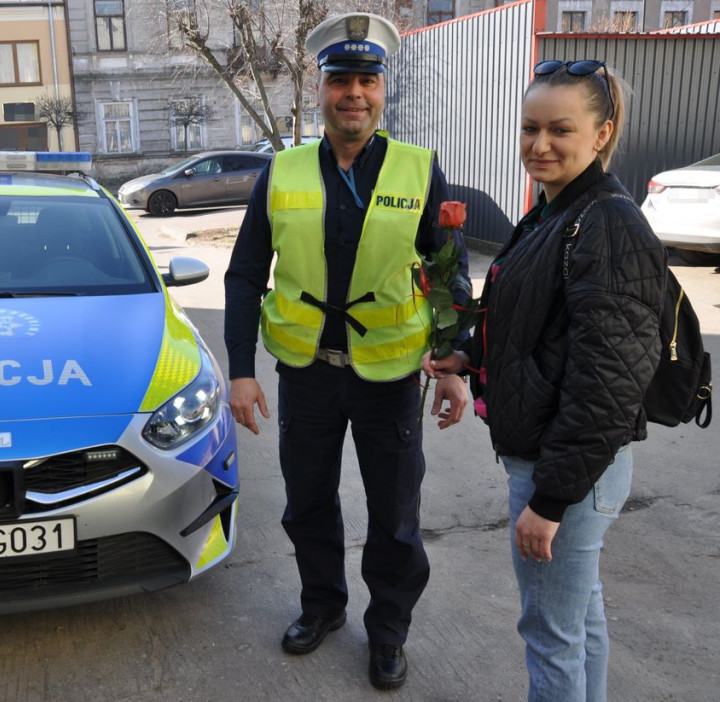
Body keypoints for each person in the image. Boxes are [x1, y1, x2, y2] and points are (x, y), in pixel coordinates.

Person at [224, 12, 470, 691]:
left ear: (382, 89)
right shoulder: (282, 172)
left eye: (367, 79)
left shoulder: (420, 171)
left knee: (394, 518)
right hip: (305, 375)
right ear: (320, 88)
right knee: (306, 505)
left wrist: (454, 362)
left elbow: (449, 273)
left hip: (390, 378)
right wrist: (241, 373)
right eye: (341, 80)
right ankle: (322, 606)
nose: (353, 94)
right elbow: (244, 275)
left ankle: (388, 631)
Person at [424, 60, 667, 700]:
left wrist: (550, 502)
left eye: (561, 129)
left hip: (567, 472)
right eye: (530, 128)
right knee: (579, 620)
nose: (540, 144)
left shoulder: (607, 223)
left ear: (602, 132)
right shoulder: (557, 211)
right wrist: (469, 354)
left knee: (550, 635)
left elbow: (608, 382)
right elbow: (534, 323)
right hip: (563, 466)